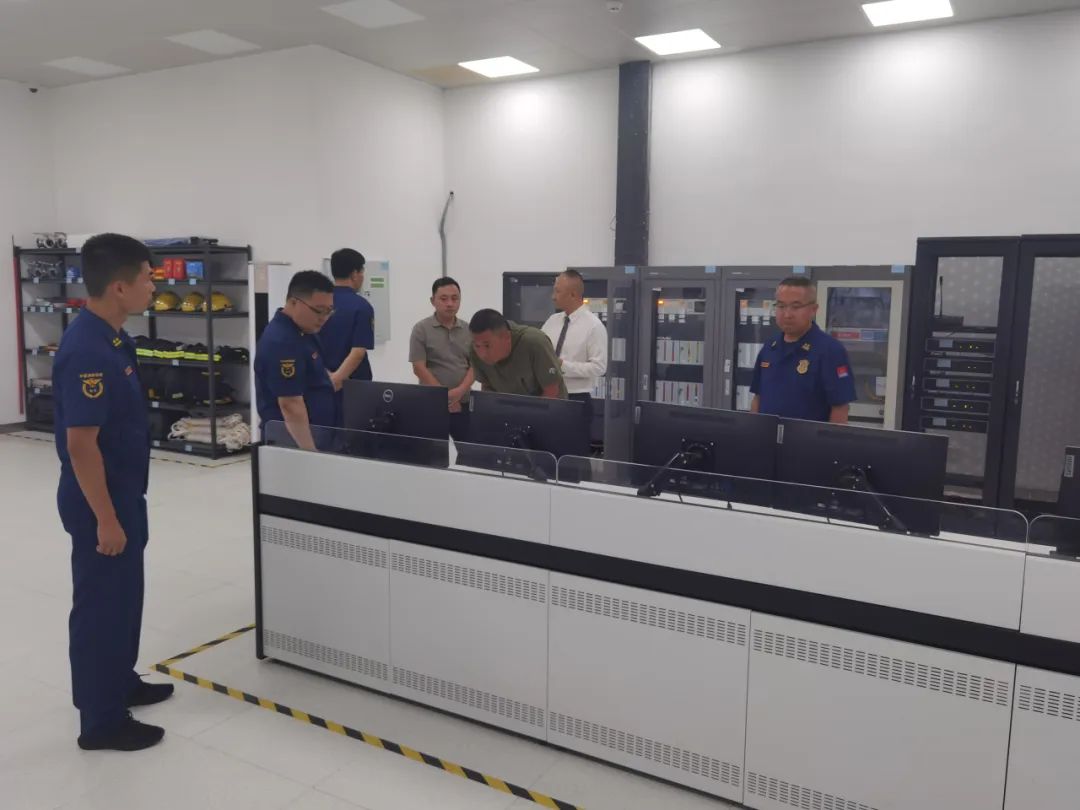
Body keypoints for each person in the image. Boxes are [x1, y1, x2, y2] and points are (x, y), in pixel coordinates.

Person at [53, 233, 172, 751]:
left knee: (125, 597)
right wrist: (105, 519)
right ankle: (100, 721)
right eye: (148, 277)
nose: (154, 286)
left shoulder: (115, 339)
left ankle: (120, 681)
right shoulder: (88, 350)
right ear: (120, 287)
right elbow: (81, 445)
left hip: (123, 492)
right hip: (98, 500)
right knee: (101, 605)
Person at [750, 276, 857, 423]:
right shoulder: (770, 347)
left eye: (795, 307)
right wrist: (753, 431)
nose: (787, 314)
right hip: (766, 436)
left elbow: (840, 408)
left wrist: (832, 439)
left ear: (813, 310)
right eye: (781, 306)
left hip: (808, 438)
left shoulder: (830, 350)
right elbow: (758, 397)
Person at [254, 270, 337, 449]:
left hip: (314, 431)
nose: (323, 318)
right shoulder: (282, 341)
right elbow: (290, 404)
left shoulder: (305, 331)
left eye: (329, 311)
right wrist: (309, 453)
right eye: (318, 310)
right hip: (293, 438)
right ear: (293, 302)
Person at [409, 277, 475, 440]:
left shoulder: (469, 330)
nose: (450, 304)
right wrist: (444, 397)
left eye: (455, 298)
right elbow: (419, 367)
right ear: (433, 301)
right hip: (431, 404)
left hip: (464, 402)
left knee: (468, 451)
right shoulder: (421, 329)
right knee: (432, 451)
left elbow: (475, 366)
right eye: (444, 299)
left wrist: (459, 392)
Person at [541, 269, 608, 430]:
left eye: (557, 291)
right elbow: (538, 349)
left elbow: (599, 367)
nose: (553, 296)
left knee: (570, 445)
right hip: (547, 395)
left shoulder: (593, 326)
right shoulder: (552, 321)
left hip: (576, 399)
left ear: (573, 294)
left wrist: (562, 366)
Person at [319, 248, 375, 425]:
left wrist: (327, 376)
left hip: (321, 382)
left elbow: (308, 343)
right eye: (362, 271)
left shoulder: (319, 302)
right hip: (352, 387)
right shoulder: (362, 307)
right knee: (353, 435)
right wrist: (337, 379)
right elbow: (358, 351)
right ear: (355, 274)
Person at [469, 309, 567, 399]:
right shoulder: (473, 349)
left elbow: (552, 390)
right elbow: (487, 387)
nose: (482, 354)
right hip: (508, 406)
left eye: (487, 345)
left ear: (506, 337)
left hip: (549, 406)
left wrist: (527, 413)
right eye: (477, 346)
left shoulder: (534, 343)